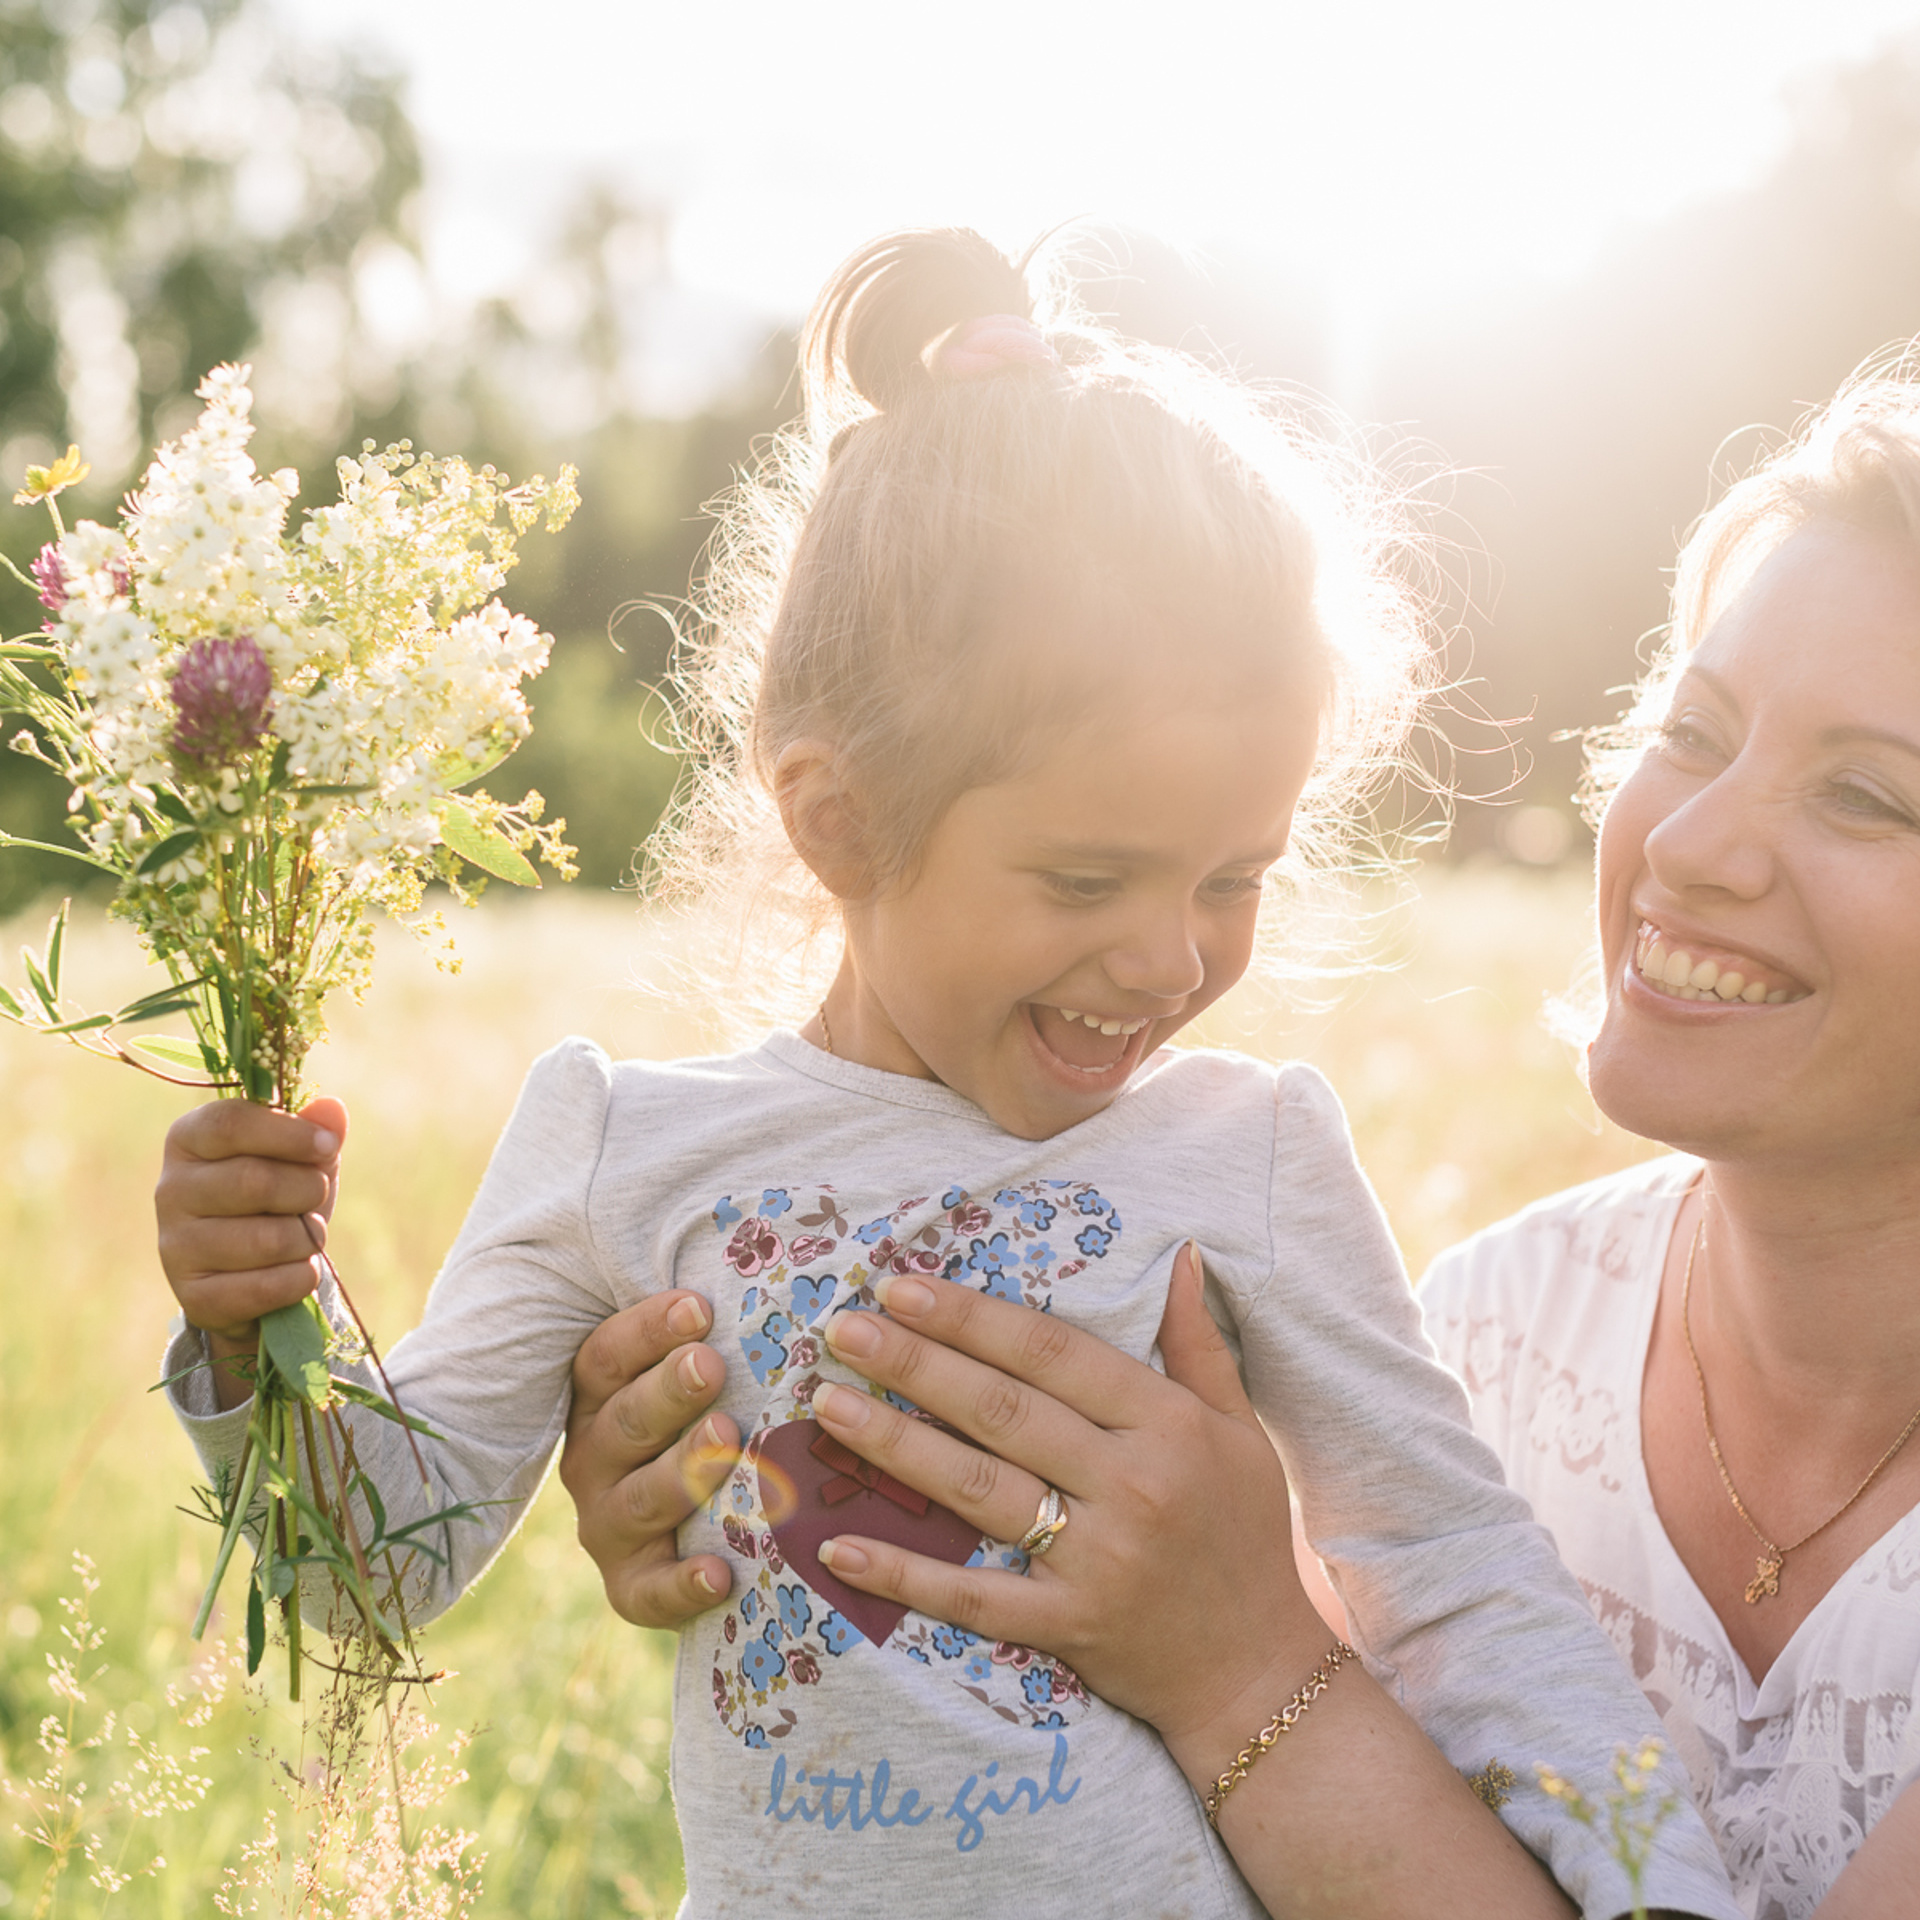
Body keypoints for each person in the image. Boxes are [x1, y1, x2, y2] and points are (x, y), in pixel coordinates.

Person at [154, 230, 1738, 1920]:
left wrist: (1655, 1889)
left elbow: (1447, 1561)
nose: (1168, 960)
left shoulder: (1249, 1152)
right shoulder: (624, 1146)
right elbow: (366, 1580)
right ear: (838, 818)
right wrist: (264, 1330)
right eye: (1086, 881)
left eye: (1233, 878)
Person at [563, 354, 1920, 1919]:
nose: (1688, 844)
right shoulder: (1496, 1337)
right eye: (1694, 730)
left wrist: (1241, 1666)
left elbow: (1262, 1683)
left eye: (1870, 799)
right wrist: (755, 1475)